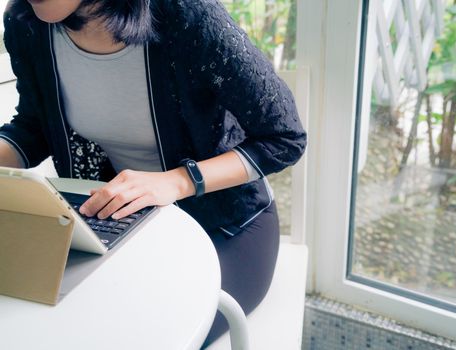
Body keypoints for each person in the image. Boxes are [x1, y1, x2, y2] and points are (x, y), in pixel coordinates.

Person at [0, 0, 306, 345]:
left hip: (227, 225)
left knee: (143, 337)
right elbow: (35, 127)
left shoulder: (187, 15)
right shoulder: (27, 24)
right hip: (120, 227)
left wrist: (177, 181)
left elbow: (285, 137)